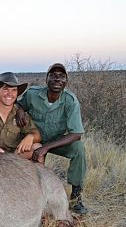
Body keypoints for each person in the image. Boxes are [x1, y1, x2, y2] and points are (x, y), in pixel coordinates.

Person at [16, 63, 88, 214]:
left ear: (66, 82)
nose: (57, 79)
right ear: (46, 79)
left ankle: (76, 196)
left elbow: (76, 134)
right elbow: (18, 105)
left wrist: (46, 147)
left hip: (55, 141)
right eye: (53, 75)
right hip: (34, 139)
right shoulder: (33, 94)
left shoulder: (70, 101)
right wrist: (21, 110)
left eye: (61, 76)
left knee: (79, 149)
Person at [0, 72, 42, 161]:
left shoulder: (21, 116)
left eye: (13, 90)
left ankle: (37, 175)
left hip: (13, 159)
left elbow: (36, 134)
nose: (10, 93)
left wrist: (31, 137)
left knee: (37, 147)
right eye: (6, 89)